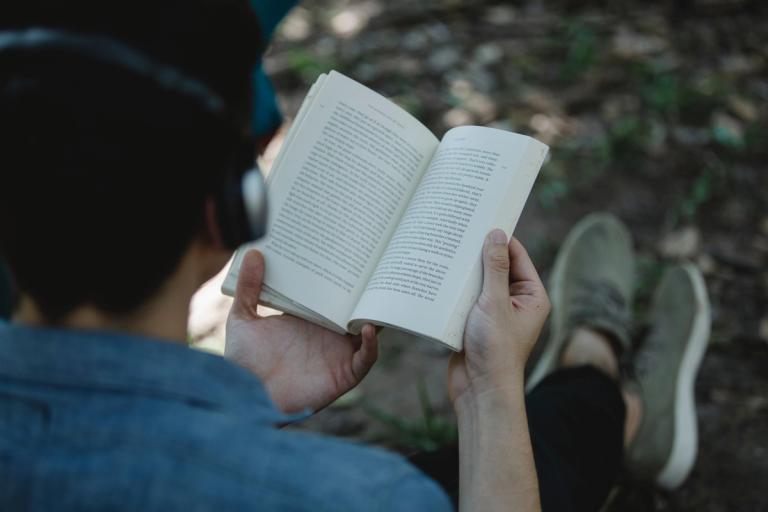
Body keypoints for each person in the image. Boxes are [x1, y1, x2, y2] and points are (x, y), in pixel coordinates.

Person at [0, 2, 711, 511]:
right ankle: (615, 390)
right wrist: (489, 390)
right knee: (551, 441)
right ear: (231, 215)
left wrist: (251, 402)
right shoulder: (359, 497)